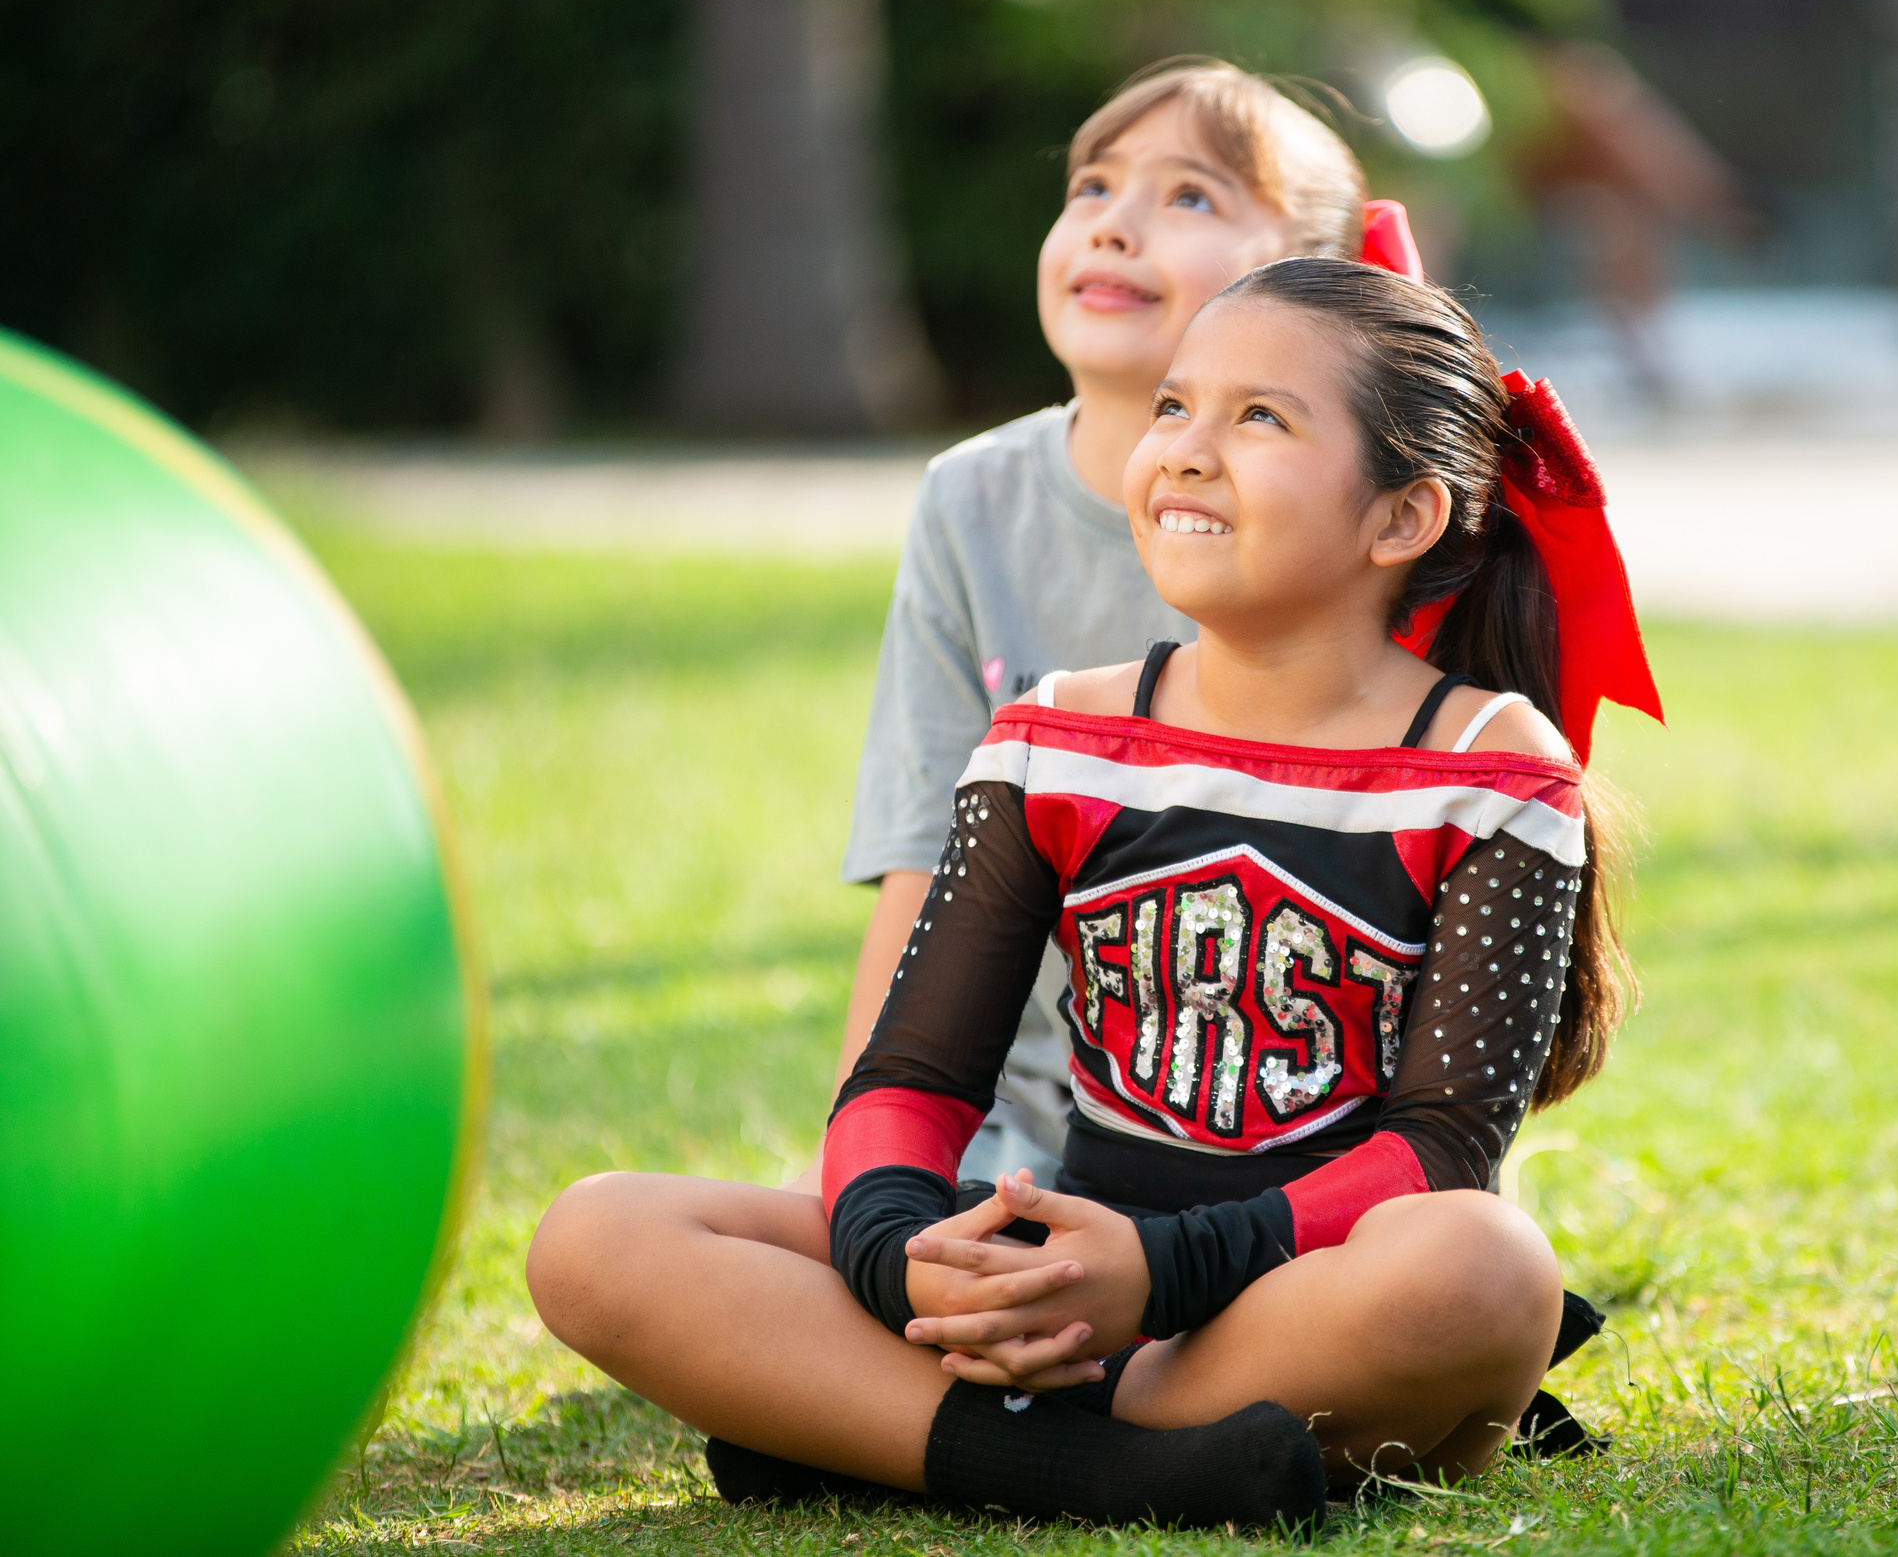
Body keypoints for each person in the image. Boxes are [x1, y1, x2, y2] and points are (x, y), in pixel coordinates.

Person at [526, 257, 1663, 1529]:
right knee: (595, 1234)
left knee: (1487, 1265)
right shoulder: (1054, 734)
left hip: (1297, 1296)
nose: (1184, 449)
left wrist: (1157, 1274)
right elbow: (910, 1078)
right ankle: (1132, 1473)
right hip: (1066, 1256)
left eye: (1261, 418)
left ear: (1399, 518)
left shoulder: (1487, 768)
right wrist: (902, 1256)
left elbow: (1442, 1145)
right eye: (1175, 407)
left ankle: (889, 1428)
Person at [815, 58, 1399, 1192]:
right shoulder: (973, 498)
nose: (1115, 226)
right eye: (1091, 186)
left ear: (1312, 278)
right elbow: (920, 865)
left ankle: (1140, 1350)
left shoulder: (1357, 520)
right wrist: (862, 1181)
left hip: (1293, 1161)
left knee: (1453, 1287)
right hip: (1011, 1143)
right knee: (606, 1243)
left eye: (1189, 196)